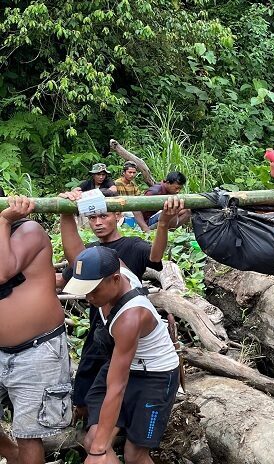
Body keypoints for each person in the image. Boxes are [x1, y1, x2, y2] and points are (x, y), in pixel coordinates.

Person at [57, 191, 182, 423]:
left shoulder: (132, 246)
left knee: (118, 386)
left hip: (125, 332)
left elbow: (155, 255)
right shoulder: (92, 253)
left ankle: (107, 437)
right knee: (84, 395)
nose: (98, 223)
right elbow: (72, 267)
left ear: (117, 215)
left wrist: (163, 224)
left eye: (103, 216)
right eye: (93, 218)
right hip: (99, 333)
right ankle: (90, 431)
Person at [62, 247, 180, 464]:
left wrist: (98, 452)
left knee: (133, 455)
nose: (88, 297)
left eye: (94, 290)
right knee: (92, 441)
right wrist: (66, 215)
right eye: (84, 290)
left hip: (155, 376)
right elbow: (91, 252)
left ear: (116, 279)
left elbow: (117, 386)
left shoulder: (131, 317)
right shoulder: (113, 267)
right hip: (124, 362)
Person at [0, 196, 72, 464]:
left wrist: (4, 220)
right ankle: (11, 454)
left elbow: (2, 271)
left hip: (37, 350)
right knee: (20, 442)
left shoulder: (29, 231)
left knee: (28, 433)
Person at [114, 162, 150, 232]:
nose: (132, 175)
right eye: (130, 172)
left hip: (133, 209)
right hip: (122, 210)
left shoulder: (133, 184)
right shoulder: (117, 183)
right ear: (124, 173)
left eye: (134, 173)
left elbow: (138, 197)